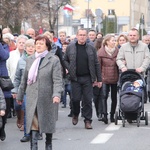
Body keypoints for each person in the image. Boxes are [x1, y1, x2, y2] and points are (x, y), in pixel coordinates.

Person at [16, 35, 62, 150]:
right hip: (32, 98)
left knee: (47, 126)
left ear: (47, 46)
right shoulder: (30, 60)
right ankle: (34, 146)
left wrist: (56, 94)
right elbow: (24, 80)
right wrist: (20, 95)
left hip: (47, 98)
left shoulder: (53, 60)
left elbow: (57, 80)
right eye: (37, 44)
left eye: (41, 43)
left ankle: (48, 145)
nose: (38, 46)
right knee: (33, 125)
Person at [64, 28, 102, 129]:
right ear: (77, 36)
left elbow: (96, 63)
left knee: (88, 100)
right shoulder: (71, 47)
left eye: (84, 35)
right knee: (75, 99)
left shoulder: (91, 48)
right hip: (75, 78)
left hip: (88, 78)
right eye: (80, 35)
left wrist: (99, 79)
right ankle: (75, 113)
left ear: (87, 36)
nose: (82, 37)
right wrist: (69, 68)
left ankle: (88, 120)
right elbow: (65, 60)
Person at [12, 39, 35, 142]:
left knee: (35, 111)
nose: (30, 48)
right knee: (26, 110)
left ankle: (36, 132)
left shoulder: (39, 60)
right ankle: (27, 133)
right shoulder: (21, 61)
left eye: (32, 46)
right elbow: (17, 77)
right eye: (28, 46)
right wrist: (15, 90)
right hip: (25, 90)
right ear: (25, 48)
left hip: (37, 90)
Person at [7, 35, 28, 130]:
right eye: (20, 42)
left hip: (26, 84)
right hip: (14, 82)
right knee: (17, 105)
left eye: (24, 43)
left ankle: (23, 121)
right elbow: (7, 67)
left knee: (24, 104)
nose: (21, 44)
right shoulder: (11, 55)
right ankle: (19, 117)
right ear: (17, 43)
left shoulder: (29, 55)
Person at [98, 34, 119, 124]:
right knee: (104, 96)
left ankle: (112, 115)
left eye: (115, 40)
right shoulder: (101, 52)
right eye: (112, 40)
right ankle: (105, 115)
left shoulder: (117, 51)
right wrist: (98, 78)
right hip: (104, 77)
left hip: (114, 77)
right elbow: (98, 66)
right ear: (107, 42)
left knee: (114, 97)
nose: (114, 42)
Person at [0, 28, 12, 141]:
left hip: (2, 78)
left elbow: (4, 56)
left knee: (5, 104)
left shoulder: (3, 45)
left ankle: (2, 127)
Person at [93, 37, 103, 121]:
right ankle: (99, 112)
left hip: (105, 76)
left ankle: (102, 112)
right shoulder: (94, 53)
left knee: (102, 95)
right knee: (96, 96)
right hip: (96, 77)